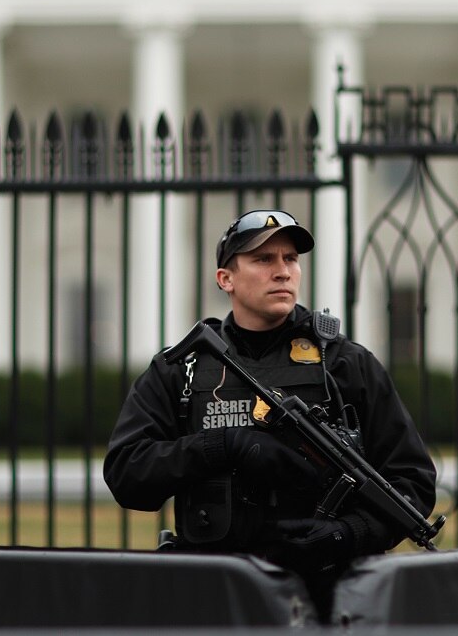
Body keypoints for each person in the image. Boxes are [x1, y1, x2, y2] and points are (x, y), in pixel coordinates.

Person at [104, 208, 437, 610]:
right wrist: (223, 446)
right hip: (214, 593)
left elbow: (411, 482)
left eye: (290, 259)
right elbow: (126, 471)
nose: (283, 271)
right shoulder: (184, 369)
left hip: (327, 596)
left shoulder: (344, 364)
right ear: (225, 278)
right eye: (263, 259)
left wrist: (343, 535)